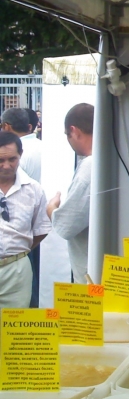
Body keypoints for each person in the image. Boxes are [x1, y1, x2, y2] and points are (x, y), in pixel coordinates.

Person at [0, 131, 52, 308]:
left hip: (17, 271)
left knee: (14, 322)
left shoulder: (33, 189)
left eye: (12, 159)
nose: (6, 166)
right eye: (0, 160)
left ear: (20, 155)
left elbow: (41, 229)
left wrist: (20, 248)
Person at [47, 103, 93, 284]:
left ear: (74, 131)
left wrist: (52, 209)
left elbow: (68, 224)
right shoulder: (113, 157)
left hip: (91, 271)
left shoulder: (90, 166)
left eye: (67, 135)